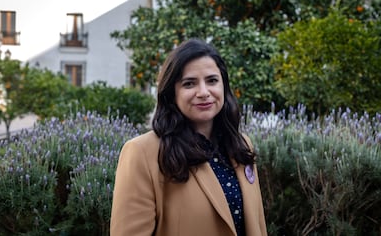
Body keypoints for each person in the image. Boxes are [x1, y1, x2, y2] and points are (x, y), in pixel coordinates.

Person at [110, 38, 267, 236]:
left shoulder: (242, 145)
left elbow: (257, 225)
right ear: (171, 93)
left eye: (212, 80)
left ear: (224, 86)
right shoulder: (142, 153)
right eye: (189, 83)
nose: (203, 92)